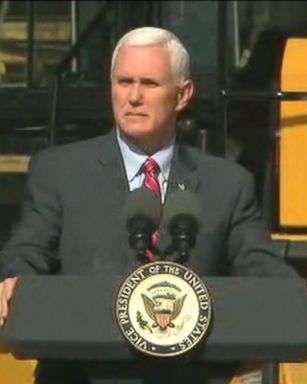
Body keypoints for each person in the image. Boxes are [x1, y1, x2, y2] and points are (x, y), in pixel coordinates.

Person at [0, 26, 299, 384]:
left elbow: (265, 273)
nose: (134, 97)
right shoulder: (59, 171)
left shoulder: (228, 184)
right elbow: (28, 250)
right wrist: (13, 279)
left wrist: (297, 298)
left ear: (183, 94)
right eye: (123, 82)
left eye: (150, 83)